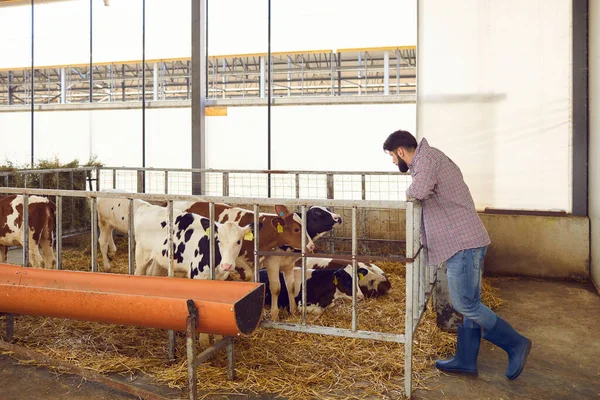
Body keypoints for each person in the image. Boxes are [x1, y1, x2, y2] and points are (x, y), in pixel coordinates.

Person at [382, 129, 532, 380]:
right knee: (470, 302)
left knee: (464, 303)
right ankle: (466, 360)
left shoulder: (426, 160)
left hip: (462, 244)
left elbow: (417, 191)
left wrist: (408, 194)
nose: (394, 162)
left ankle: (515, 343)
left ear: (400, 151)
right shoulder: (431, 158)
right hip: (465, 242)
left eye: (392, 156)